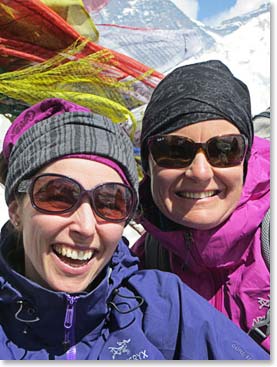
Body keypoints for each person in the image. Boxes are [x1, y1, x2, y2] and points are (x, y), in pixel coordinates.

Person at [0, 98, 269, 360]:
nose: (84, 227)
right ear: (15, 210)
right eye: (58, 196)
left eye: (110, 202)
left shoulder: (162, 305)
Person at [132, 60, 270, 352]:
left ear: (245, 158)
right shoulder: (143, 264)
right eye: (174, 150)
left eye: (224, 149)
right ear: (148, 163)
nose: (200, 172)